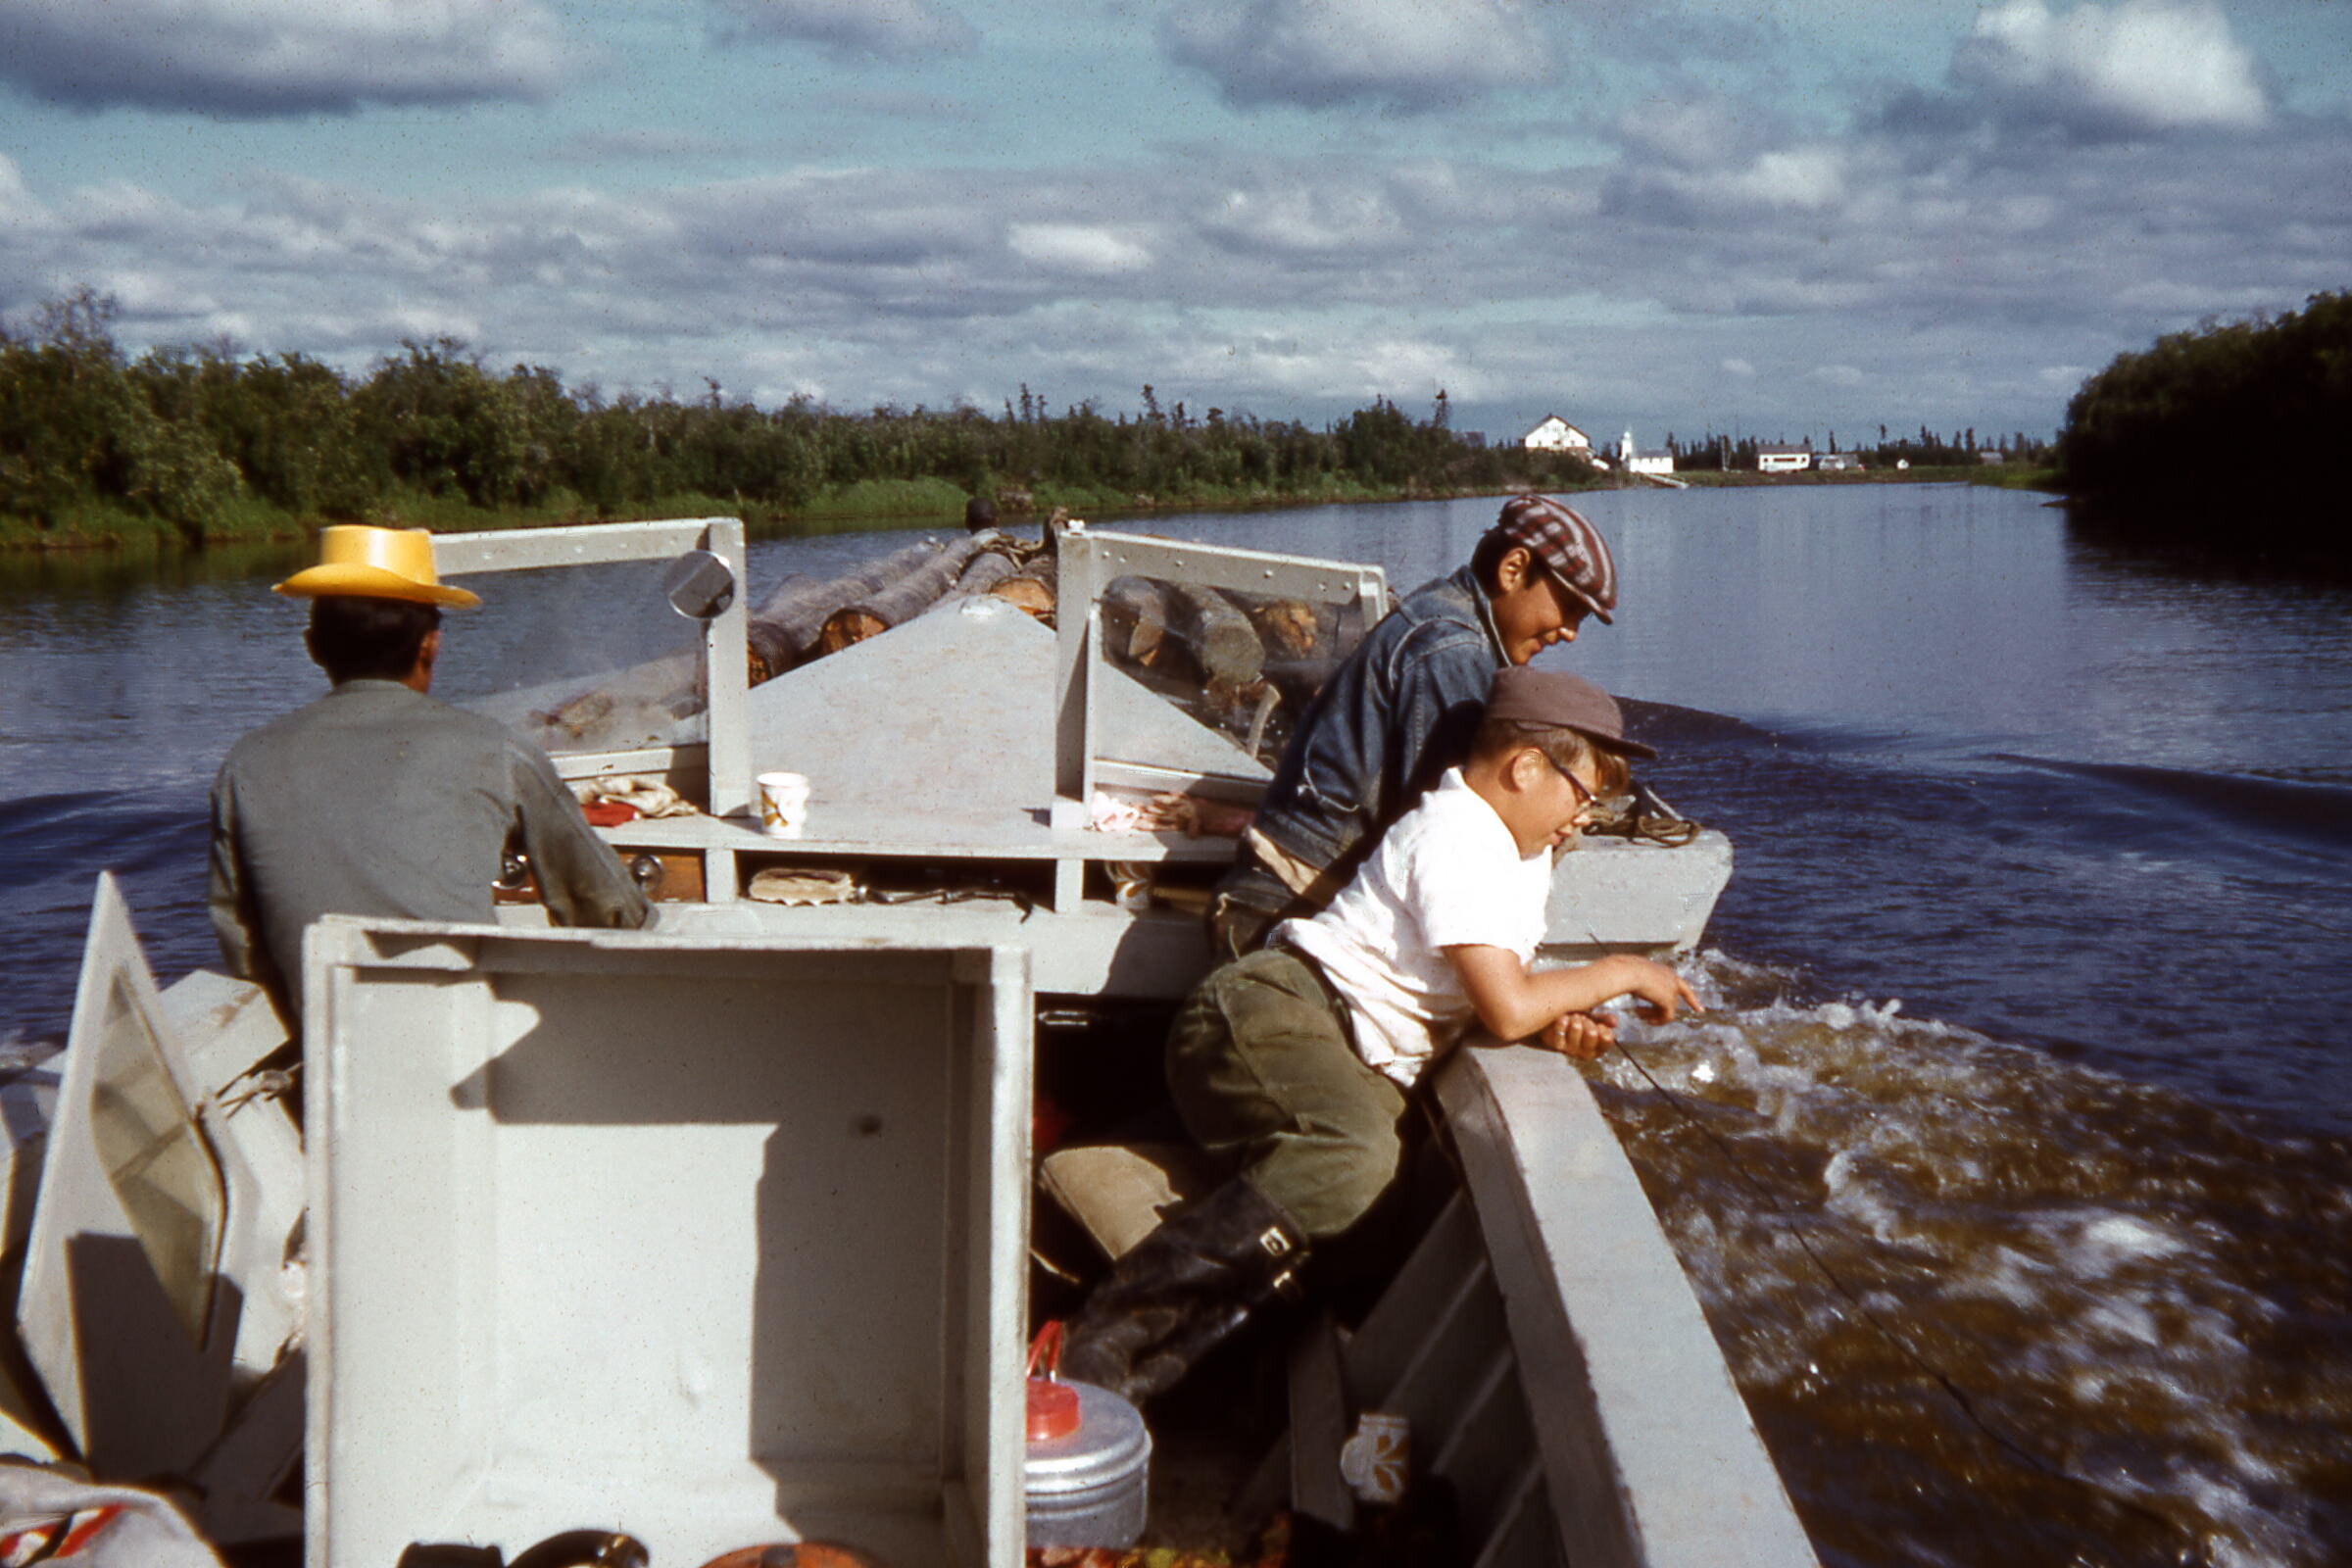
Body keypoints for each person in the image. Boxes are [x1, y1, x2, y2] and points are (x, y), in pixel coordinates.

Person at [1062, 666, 1697, 1402]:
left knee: (1374, 1232)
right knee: (1355, 1158)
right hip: (1273, 1011)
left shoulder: (1519, 855)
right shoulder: (1460, 834)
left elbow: (1490, 990)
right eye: (1584, 795)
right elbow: (1505, 1006)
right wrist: (1618, 970)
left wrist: (1556, 1019)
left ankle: (1155, 1378)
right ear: (1526, 767)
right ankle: (1101, 1335)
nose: (1584, 817)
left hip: (1342, 1047)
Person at [210, 525, 653, 1017]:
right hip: (462, 1051)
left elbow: (244, 947)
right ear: (431, 645)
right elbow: (613, 914)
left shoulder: (246, 763)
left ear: (313, 646)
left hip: (328, 1057)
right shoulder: (499, 750)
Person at [1208, 494, 1618, 957]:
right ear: (1513, 569)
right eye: (1569, 607)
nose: (1570, 632)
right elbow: (1457, 830)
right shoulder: (1450, 652)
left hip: (1289, 893)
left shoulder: (1444, 611)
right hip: (1286, 911)